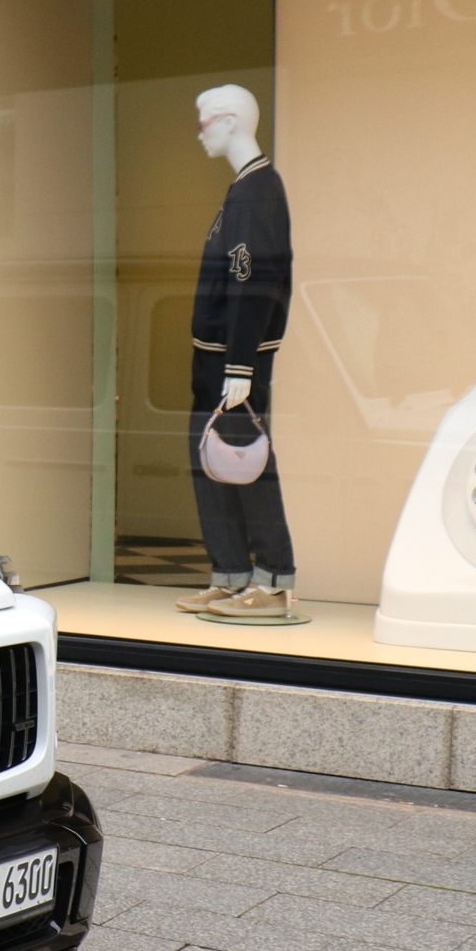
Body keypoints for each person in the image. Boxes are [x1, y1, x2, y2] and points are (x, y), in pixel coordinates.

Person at [174, 84, 296, 620]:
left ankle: (273, 582)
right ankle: (230, 577)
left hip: (233, 359)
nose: (200, 132)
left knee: (247, 464)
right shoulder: (243, 190)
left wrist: (241, 365)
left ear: (228, 122)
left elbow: (256, 282)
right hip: (216, 356)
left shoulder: (257, 192)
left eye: (204, 121)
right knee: (212, 463)